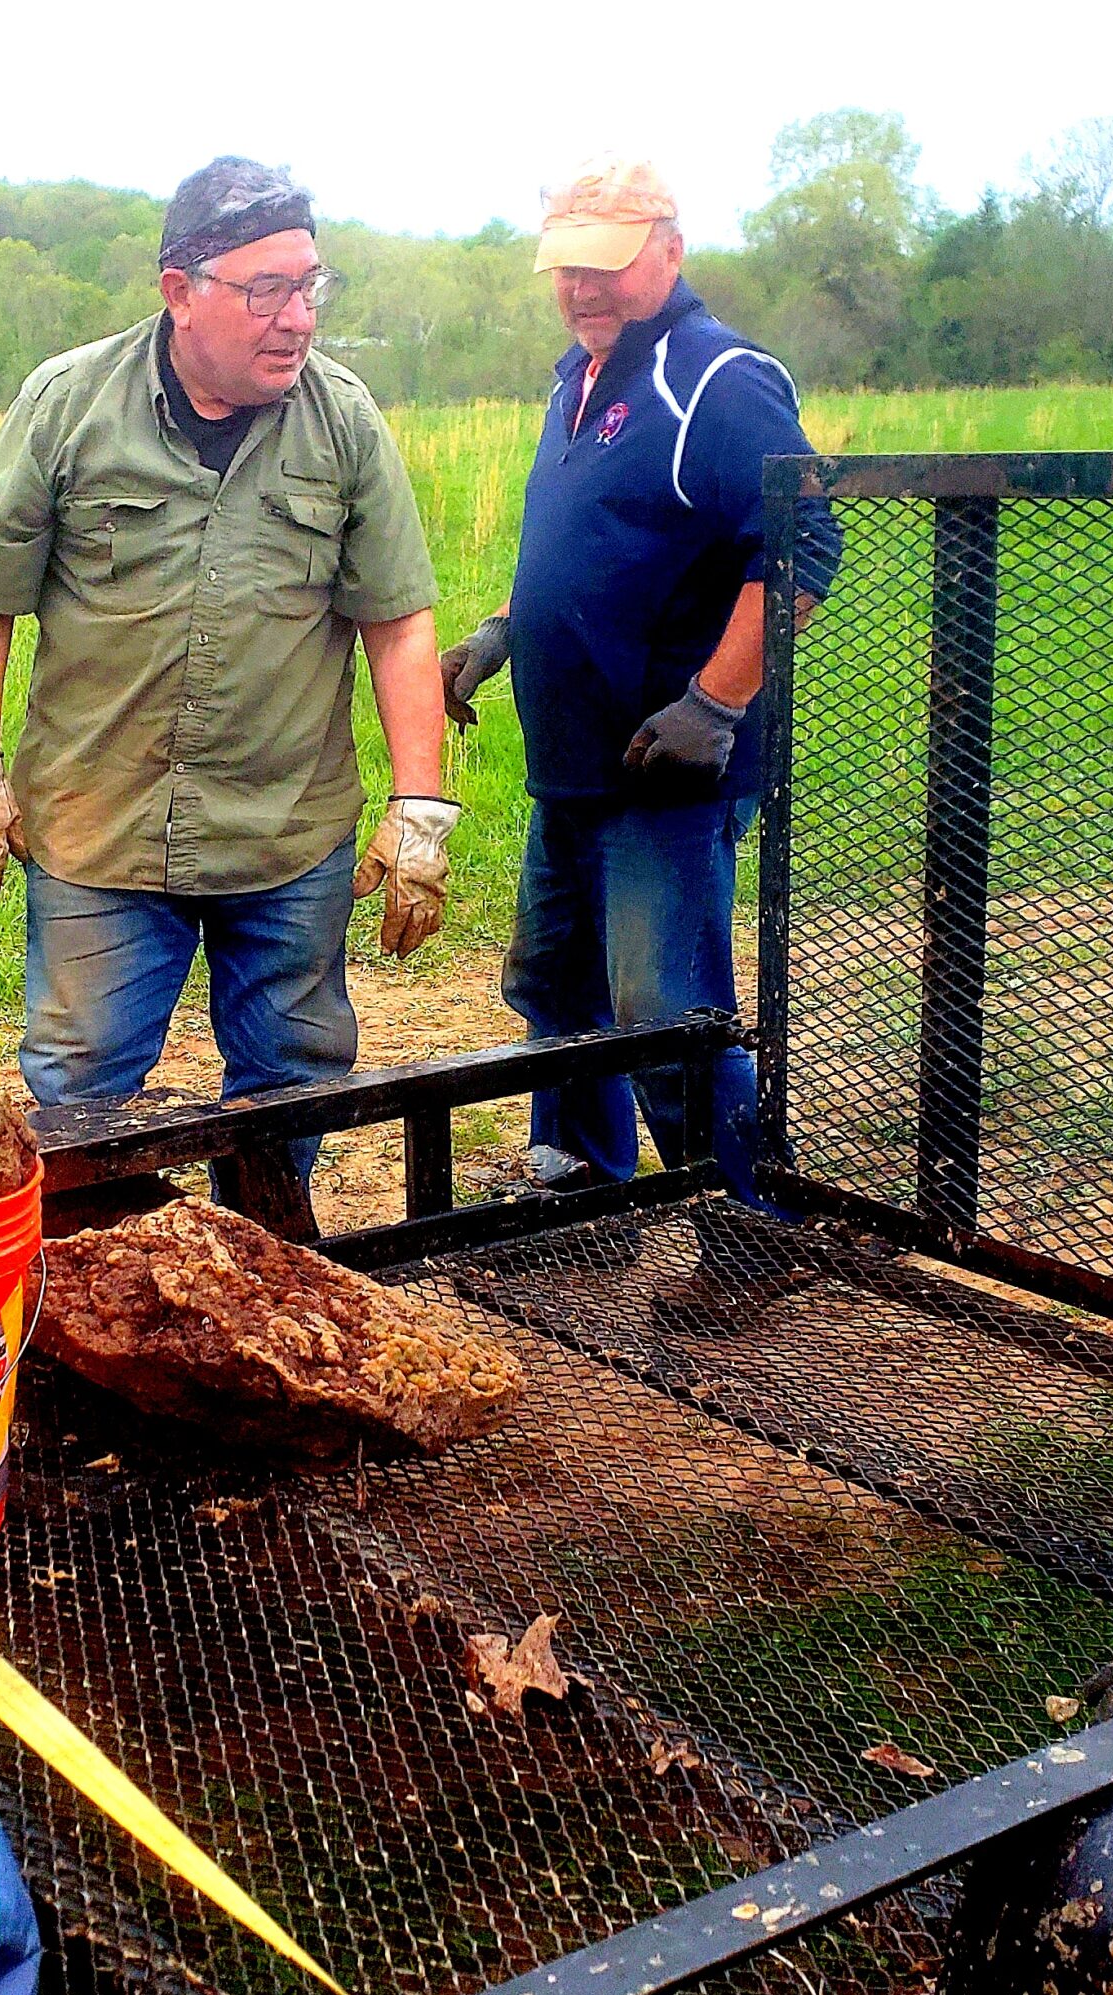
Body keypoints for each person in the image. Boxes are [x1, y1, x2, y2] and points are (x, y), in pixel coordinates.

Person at [0, 156, 453, 1218]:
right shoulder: (69, 404)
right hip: (101, 829)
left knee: (292, 1081)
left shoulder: (344, 421)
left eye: (310, 286)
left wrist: (420, 808)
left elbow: (397, 622)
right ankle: (100, 1278)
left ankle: (266, 1264)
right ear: (180, 290)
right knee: (82, 1093)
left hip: (286, 830)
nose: (298, 318)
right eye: (268, 291)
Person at [441, 153, 840, 1303]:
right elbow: (591, 546)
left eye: (606, 266)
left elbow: (804, 545)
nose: (583, 289)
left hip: (667, 772)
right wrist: (501, 632)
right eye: (565, 267)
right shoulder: (577, 378)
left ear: (669, 249)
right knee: (555, 988)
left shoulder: (718, 381)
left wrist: (715, 701)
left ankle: (758, 1239)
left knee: (663, 1013)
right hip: (573, 765)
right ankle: (582, 1199)